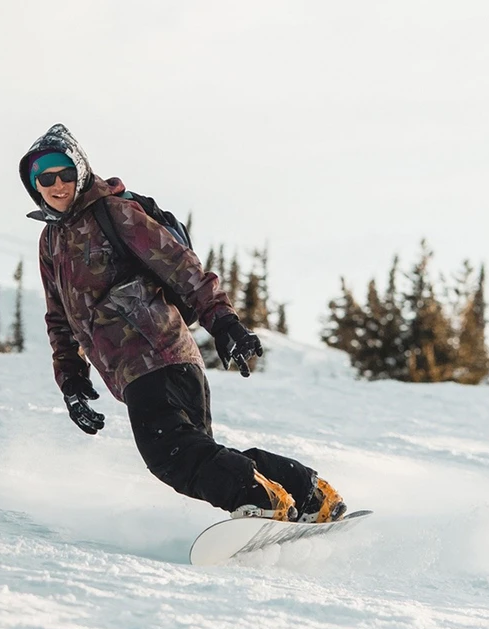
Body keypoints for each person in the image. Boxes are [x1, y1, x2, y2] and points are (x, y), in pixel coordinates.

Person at [19, 123, 346, 523]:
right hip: (145, 366)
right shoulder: (50, 243)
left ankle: (261, 499)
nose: (57, 184)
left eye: (65, 173)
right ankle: (307, 493)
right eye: (45, 178)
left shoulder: (113, 212)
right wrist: (71, 380)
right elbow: (59, 317)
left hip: (155, 353)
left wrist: (224, 322)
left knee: (170, 456)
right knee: (196, 453)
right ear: (35, 185)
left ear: (81, 172)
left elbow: (180, 265)